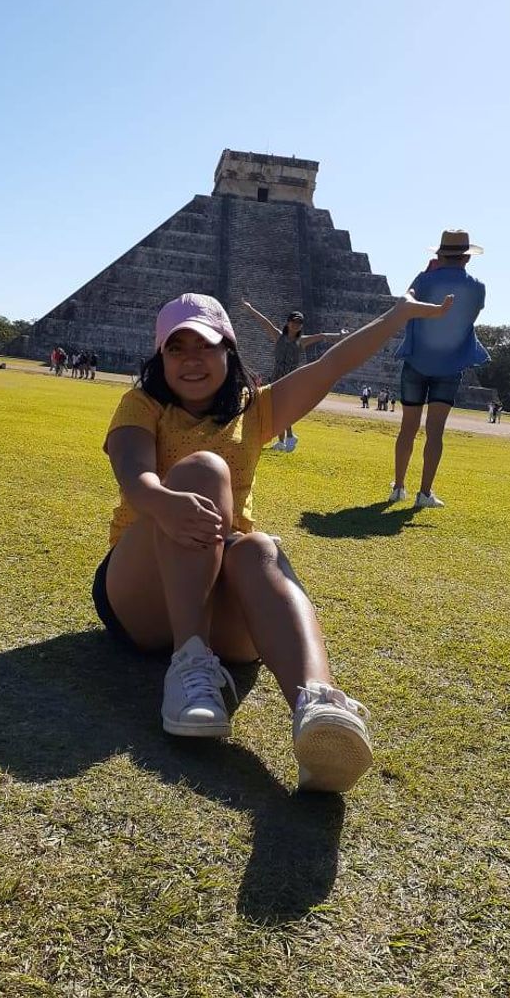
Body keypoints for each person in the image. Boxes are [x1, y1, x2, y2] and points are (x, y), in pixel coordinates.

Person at [94, 289, 452, 793]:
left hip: (220, 597)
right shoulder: (140, 404)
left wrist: (399, 316)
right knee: (202, 470)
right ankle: (190, 663)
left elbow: (331, 365)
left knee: (260, 548)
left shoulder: (256, 411)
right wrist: (162, 501)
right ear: (160, 357)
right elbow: (135, 478)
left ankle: (320, 710)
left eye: (206, 345)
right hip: (143, 592)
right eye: (177, 348)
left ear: (229, 351)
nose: (192, 359)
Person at [388, 230, 489, 509]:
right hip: (450, 365)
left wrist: (426, 274)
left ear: (438, 256)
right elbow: (469, 316)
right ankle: (425, 492)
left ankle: (398, 487)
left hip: (416, 362)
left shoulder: (424, 280)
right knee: (435, 432)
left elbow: (405, 302)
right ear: (467, 258)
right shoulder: (478, 287)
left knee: (407, 429)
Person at [241, 301, 347, 452]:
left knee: (282, 409)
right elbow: (264, 322)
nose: (295, 325)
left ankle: (290, 437)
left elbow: (321, 336)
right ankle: (282, 441)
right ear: (288, 322)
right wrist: (250, 309)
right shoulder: (278, 336)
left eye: (299, 323)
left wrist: (340, 336)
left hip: (290, 379)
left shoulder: (301, 341)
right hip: (277, 377)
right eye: (293, 321)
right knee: (277, 410)